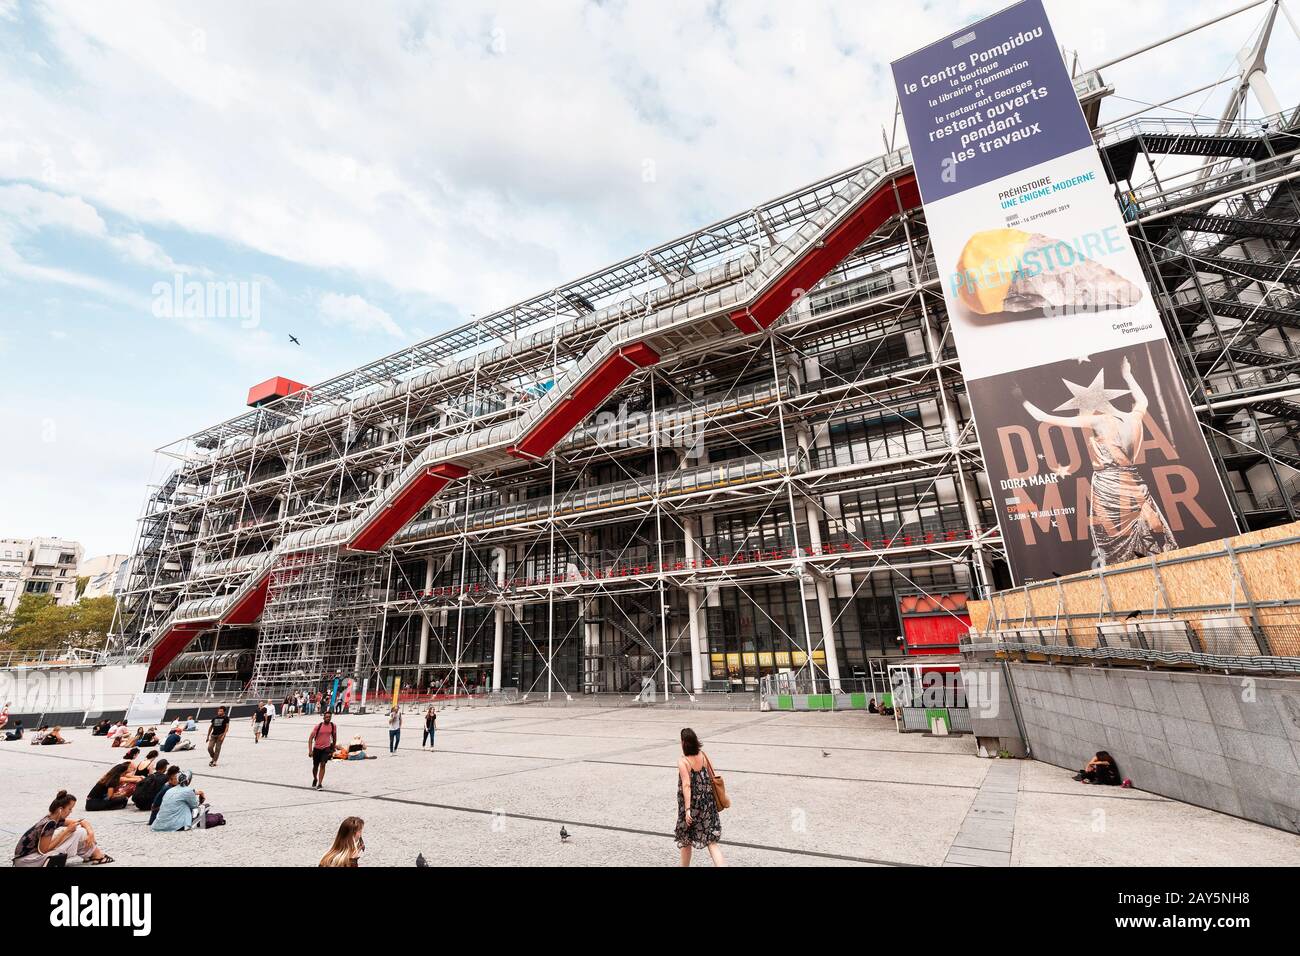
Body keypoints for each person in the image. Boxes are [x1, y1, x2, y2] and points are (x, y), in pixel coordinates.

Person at [1021, 358, 1176, 565]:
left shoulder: (1099, 420)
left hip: (1109, 485)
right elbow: (1143, 401)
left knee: (1113, 537)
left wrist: (1019, 397)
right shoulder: (1133, 418)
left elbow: (1041, 416)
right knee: (1148, 523)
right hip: (1134, 481)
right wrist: (1127, 375)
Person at [12, 790, 112, 866]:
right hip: (28, 861)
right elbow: (43, 850)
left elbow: (82, 821)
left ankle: (93, 854)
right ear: (60, 810)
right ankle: (96, 855)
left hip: (25, 859)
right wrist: (66, 832)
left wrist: (91, 833)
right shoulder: (49, 823)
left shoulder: (53, 818)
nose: (71, 812)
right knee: (77, 833)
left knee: (79, 831)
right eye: (69, 809)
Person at [674, 727, 725, 867]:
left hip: (692, 806)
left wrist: (688, 809)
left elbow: (686, 786)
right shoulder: (703, 755)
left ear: (684, 743)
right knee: (711, 841)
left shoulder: (683, 761)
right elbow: (711, 775)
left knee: (686, 839)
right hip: (708, 803)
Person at [309, 711, 338, 790]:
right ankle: (315, 778)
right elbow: (310, 738)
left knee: (323, 764)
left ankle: (320, 783)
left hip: (326, 748)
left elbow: (334, 737)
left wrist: (333, 748)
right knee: (315, 766)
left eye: (329, 717)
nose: (328, 718)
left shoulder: (333, 726)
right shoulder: (318, 726)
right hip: (317, 749)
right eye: (326, 717)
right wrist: (310, 751)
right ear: (323, 718)